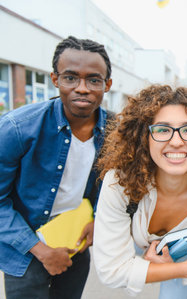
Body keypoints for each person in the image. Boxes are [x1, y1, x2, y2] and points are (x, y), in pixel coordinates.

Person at [92, 84, 187, 297]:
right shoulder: (119, 182)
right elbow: (111, 271)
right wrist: (185, 268)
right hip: (132, 243)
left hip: (182, 255)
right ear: (144, 136)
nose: (176, 141)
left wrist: (180, 265)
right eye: (162, 130)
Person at [0, 36, 113, 298]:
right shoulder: (17, 128)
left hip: (76, 243)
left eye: (94, 80)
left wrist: (99, 220)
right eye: (71, 78)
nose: (82, 88)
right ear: (55, 79)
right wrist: (42, 251)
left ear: (107, 85)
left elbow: (120, 187)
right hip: (25, 249)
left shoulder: (116, 133)